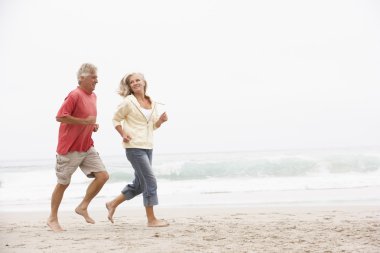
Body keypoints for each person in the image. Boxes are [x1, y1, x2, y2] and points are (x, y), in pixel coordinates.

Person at [47, 63, 109, 232]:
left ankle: (82, 206)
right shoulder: (74, 95)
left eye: (96, 77)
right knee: (63, 184)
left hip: (87, 146)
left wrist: (92, 125)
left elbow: (86, 118)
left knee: (102, 176)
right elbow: (60, 116)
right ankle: (52, 218)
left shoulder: (93, 96)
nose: (97, 80)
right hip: (69, 149)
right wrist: (84, 122)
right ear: (82, 78)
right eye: (93, 77)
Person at [106, 72, 169, 227]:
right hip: (133, 147)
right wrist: (123, 133)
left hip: (148, 146)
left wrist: (160, 121)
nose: (135, 83)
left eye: (137, 80)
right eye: (132, 82)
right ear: (130, 86)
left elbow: (152, 126)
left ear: (144, 82)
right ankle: (151, 220)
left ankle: (112, 203)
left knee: (140, 184)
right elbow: (115, 119)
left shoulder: (152, 102)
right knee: (150, 181)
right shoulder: (128, 102)